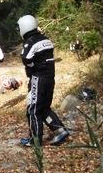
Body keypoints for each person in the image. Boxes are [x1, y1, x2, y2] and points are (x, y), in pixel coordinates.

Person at [17, 15, 70, 147]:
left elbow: (26, 59)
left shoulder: (30, 41)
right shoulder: (46, 39)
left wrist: (31, 68)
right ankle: (60, 131)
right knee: (44, 108)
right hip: (50, 78)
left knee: (33, 110)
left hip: (38, 79)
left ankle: (35, 140)